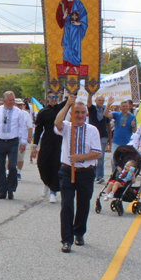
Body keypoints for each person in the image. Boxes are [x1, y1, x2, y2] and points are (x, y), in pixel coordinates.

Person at [54, 96, 101, 253]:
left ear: (86, 114)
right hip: (67, 171)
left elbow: (96, 154)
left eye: (83, 112)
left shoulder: (92, 130)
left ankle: (79, 232)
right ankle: (66, 240)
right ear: (72, 114)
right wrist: (68, 104)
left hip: (86, 172)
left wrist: (79, 157)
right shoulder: (67, 127)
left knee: (83, 204)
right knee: (67, 204)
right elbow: (57, 123)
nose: (80, 115)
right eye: (77, 112)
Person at [0, 91, 28, 200]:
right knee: (0, 167)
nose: (12, 102)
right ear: (4, 101)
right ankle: (2, 191)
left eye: (13, 100)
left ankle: (11, 189)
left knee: (12, 166)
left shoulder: (18, 112)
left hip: (13, 142)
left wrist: (23, 143)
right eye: (10, 100)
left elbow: (22, 128)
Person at [31, 91, 68, 203]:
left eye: (56, 97)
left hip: (59, 140)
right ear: (47, 97)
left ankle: (53, 191)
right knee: (42, 163)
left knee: (56, 165)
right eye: (52, 97)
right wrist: (34, 145)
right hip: (47, 140)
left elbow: (70, 100)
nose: (54, 99)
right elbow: (38, 130)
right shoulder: (43, 112)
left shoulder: (61, 108)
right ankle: (46, 183)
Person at [55, 0, 88, 75]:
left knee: (75, 46)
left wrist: (79, 23)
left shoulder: (78, 3)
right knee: (66, 46)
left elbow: (84, 14)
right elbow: (58, 16)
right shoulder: (62, 3)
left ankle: (75, 66)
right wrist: (64, 16)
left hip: (75, 28)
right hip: (67, 27)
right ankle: (67, 66)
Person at [103, 97, 137, 172]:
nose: (125, 107)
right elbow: (105, 114)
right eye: (123, 106)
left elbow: (135, 131)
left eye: (126, 106)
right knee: (113, 159)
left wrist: (133, 126)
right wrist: (108, 104)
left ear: (128, 107)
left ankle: (121, 176)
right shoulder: (117, 115)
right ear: (120, 107)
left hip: (127, 142)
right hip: (116, 141)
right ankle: (114, 174)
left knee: (125, 161)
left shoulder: (132, 117)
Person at [87, 93, 111, 184]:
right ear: (96, 101)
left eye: (102, 100)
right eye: (99, 100)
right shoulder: (92, 109)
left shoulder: (105, 110)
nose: (100, 102)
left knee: (100, 157)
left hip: (103, 136)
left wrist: (110, 137)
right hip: (92, 136)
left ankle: (100, 176)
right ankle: (92, 175)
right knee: (92, 156)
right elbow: (88, 102)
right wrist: (90, 92)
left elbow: (108, 124)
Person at [14, 98, 33, 180]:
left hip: (22, 138)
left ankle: (18, 172)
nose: (20, 106)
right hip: (12, 138)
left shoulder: (26, 114)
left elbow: (30, 127)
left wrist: (29, 137)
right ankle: (8, 172)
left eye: (21, 104)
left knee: (20, 157)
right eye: (18, 104)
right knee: (10, 157)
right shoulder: (11, 113)